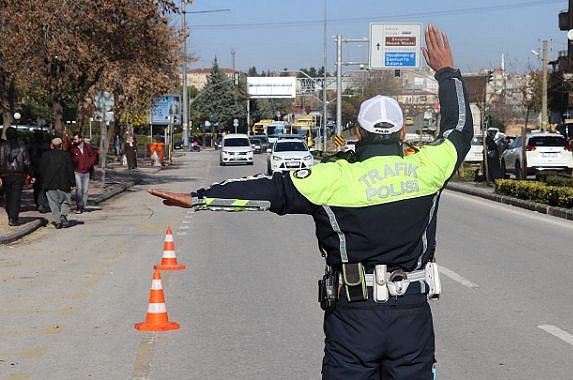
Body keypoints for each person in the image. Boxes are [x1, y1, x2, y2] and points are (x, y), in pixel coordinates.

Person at [148, 24, 472, 379]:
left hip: (353, 320)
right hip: (411, 316)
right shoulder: (428, 167)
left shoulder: (329, 178)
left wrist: (198, 199)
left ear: (358, 134)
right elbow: (458, 129)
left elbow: (267, 191)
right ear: (403, 134)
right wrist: (447, 72)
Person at [0, 127, 35, 226]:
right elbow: (27, 162)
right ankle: (13, 217)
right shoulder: (21, 146)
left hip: (5, 174)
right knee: (16, 196)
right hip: (18, 174)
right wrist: (31, 174)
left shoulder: (2, 146)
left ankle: (10, 214)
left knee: (8, 196)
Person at [39, 137, 75, 229]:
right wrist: (72, 183)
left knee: (53, 203)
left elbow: (41, 170)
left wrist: (42, 181)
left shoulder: (45, 155)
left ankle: (57, 221)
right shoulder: (66, 155)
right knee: (66, 201)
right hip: (64, 183)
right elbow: (70, 170)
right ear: (61, 145)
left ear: (51, 145)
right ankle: (63, 214)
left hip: (50, 183)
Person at [70, 132, 96, 214]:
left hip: (86, 171)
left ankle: (83, 205)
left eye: (76, 139)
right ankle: (79, 206)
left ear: (80, 139)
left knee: (85, 190)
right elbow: (70, 158)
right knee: (79, 189)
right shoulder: (72, 148)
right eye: (74, 139)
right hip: (77, 171)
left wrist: (89, 163)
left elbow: (93, 155)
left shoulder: (87, 147)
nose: (74, 141)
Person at [28, 130, 52, 212]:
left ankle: (38, 203)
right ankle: (41, 203)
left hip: (35, 168)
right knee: (42, 187)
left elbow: (30, 158)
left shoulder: (31, 145)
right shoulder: (46, 146)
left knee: (36, 187)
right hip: (44, 169)